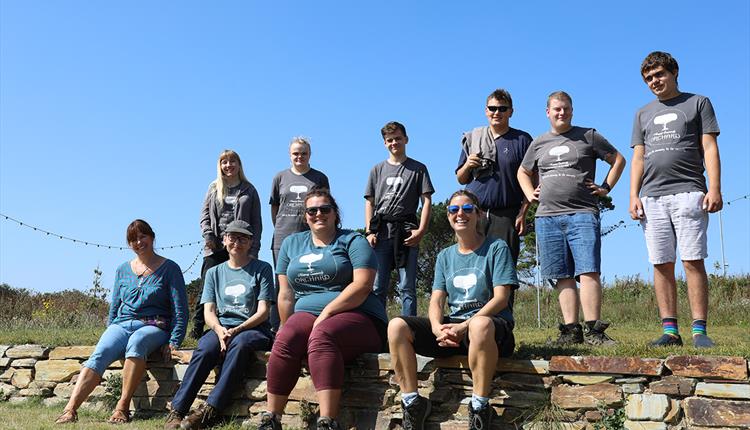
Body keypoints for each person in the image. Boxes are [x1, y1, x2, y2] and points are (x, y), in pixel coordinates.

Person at [388, 190, 518, 430]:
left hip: (490, 329)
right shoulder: (445, 256)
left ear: (478, 215)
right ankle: (413, 404)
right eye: (454, 210)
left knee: (479, 324)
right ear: (448, 216)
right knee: (397, 326)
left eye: (468, 209)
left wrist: (463, 326)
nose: (461, 214)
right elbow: (436, 300)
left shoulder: (496, 248)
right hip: (454, 330)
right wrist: (438, 328)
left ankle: (479, 407)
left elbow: (501, 298)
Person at [257, 189, 386, 430]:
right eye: (312, 210)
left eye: (325, 209)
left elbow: (362, 285)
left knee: (322, 335)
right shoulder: (292, 244)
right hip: (306, 314)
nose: (319, 214)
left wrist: (327, 312)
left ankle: (327, 421)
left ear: (335, 213)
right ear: (305, 216)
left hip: (359, 315)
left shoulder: (353, 241)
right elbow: (285, 294)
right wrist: (288, 328)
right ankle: (271, 418)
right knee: (285, 337)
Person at [518, 91, 626, 346]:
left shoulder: (588, 135)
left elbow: (618, 160)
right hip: (547, 217)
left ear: (572, 111)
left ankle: (595, 332)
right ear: (548, 112)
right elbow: (523, 171)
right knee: (561, 274)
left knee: (588, 271)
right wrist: (529, 194)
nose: (561, 113)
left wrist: (605, 188)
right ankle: (571, 331)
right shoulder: (539, 142)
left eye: (566, 108)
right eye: (556, 109)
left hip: (583, 213)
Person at [629, 51, 722, 348]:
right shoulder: (642, 113)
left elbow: (709, 147)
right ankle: (670, 331)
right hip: (652, 197)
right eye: (648, 78)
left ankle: (699, 331)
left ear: (673, 72)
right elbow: (638, 157)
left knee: (692, 260)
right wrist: (633, 195)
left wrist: (715, 188)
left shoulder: (698, 103)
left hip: (690, 191)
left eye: (659, 75)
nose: (654, 81)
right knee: (661, 263)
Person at [55, 220, 188, 425]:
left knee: (137, 342)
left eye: (142, 236)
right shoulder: (122, 270)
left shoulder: (170, 268)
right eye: (133, 239)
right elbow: (115, 305)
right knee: (100, 353)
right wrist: (112, 331)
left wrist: (174, 340)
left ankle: (122, 408)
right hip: (122, 323)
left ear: (152, 237)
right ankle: (69, 410)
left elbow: (180, 309)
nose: (138, 242)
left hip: (154, 326)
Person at [165, 221, 274, 430]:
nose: (237, 242)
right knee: (205, 348)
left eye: (243, 238)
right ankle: (177, 410)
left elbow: (263, 312)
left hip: (253, 329)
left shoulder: (262, 269)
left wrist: (237, 330)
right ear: (224, 240)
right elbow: (209, 312)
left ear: (251, 242)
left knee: (240, 344)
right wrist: (219, 330)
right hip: (221, 327)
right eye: (232, 237)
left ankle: (210, 411)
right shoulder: (214, 272)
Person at [455, 89, 533, 263]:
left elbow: (533, 181)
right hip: (473, 214)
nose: (497, 112)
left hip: (506, 215)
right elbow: (461, 178)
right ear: (486, 111)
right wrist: (468, 164)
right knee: (472, 268)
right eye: (492, 108)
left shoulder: (522, 140)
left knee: (503, 269)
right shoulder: (473, 138)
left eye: (502, 109)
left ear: (511, 112)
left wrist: (523, 213)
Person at [364, 121, 434, 316]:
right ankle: (378, 330)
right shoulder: (376, 170)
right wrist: (369, 231)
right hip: (381, 232)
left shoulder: (418, 168)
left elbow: (426, 200)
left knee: (407, 287)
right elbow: (369, 202)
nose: (394, 143)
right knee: (378, 287)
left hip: (407, 231)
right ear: (385, 143)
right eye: (390, 140)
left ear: (406, 139)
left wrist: (421, 230)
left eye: (398, 139)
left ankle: (408, 330)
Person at [193, 149, 262, 339]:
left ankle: (244, 323)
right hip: (216, 243)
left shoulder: (249, 189)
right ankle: (198, 327)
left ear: (239, 165)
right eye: (224, 162)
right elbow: (204, 215)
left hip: (241, 245)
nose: (228, 165)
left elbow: (256, 221)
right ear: (220, 166)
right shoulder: (214, 187)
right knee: (208, 283)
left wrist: (254, 247)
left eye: (232, 161)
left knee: (242, 284)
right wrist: (208, 236)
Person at [269, 137, 330, 330]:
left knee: (309, 277)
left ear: (310, 154)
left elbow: (325, 207)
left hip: (310, 238)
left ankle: (308, 323)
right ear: (290, 154)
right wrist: (281, 226)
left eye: (303, 153)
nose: (299, 157)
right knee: (282, 284)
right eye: (296, 153)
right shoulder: (280, 177)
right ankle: (279, 327)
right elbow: (275, 207)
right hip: (283, 237)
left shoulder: (319, 178)